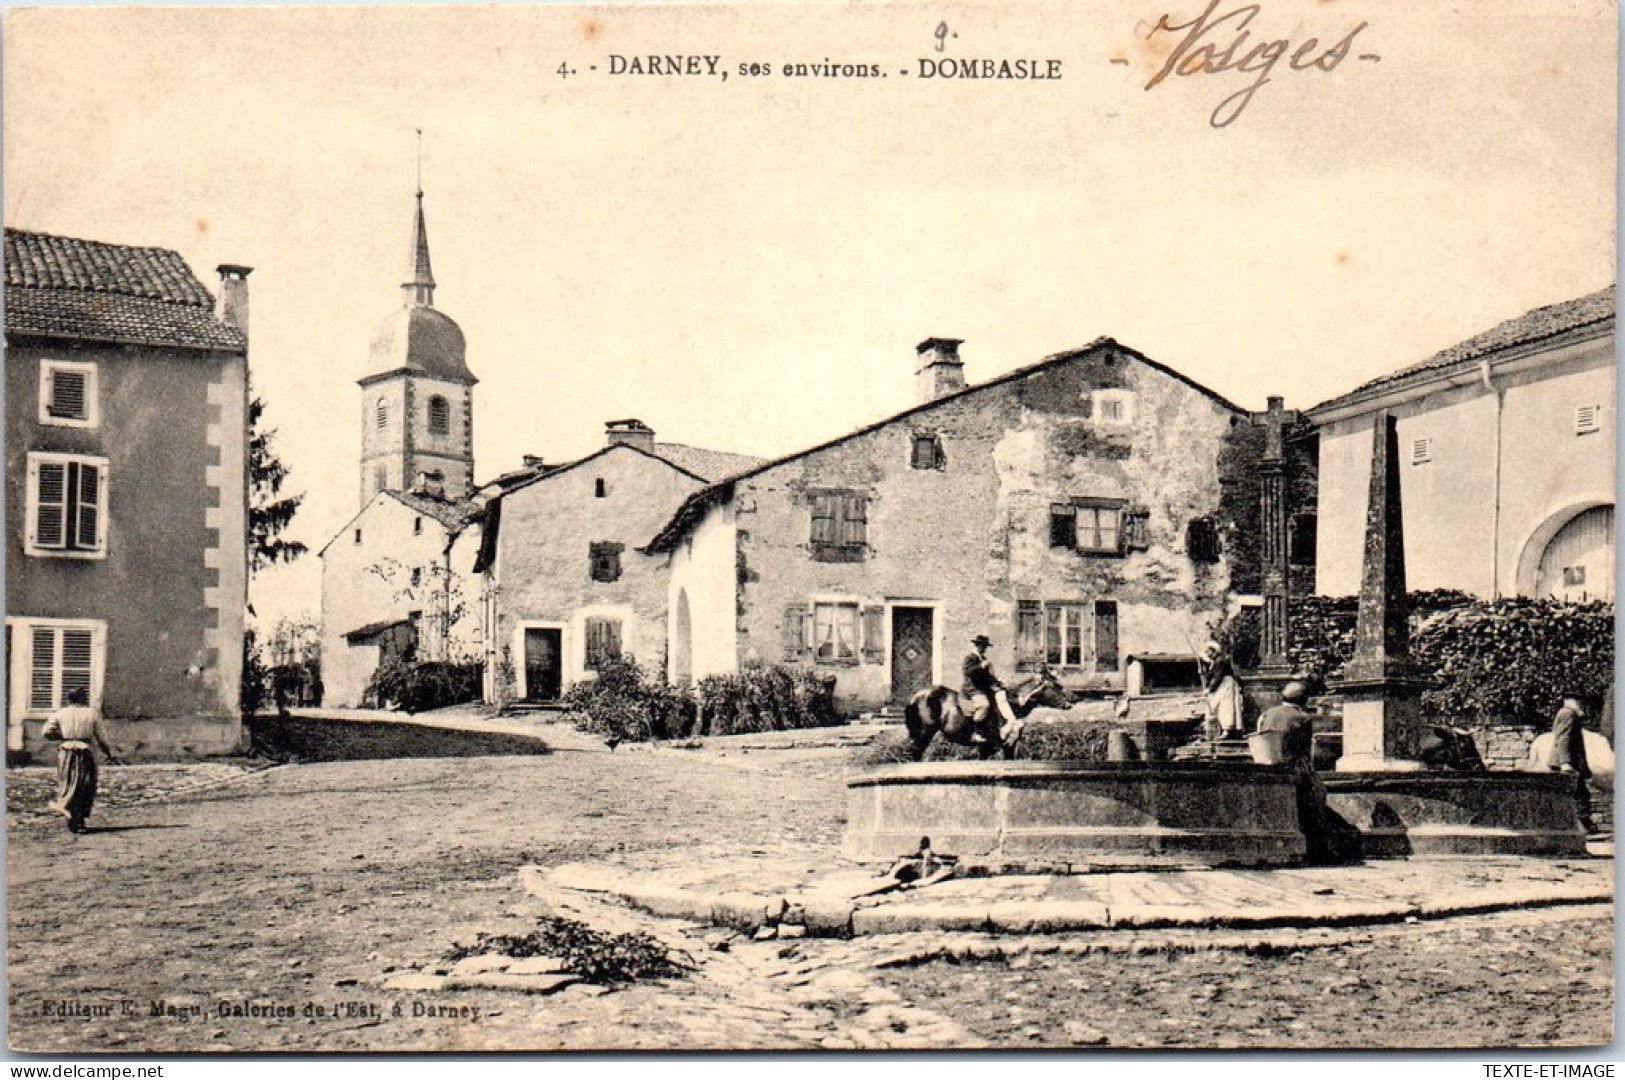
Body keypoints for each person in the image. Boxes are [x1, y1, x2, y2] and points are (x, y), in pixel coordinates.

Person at [1256, 681, 1353, 864]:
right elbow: (1305, 751)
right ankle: (1318, 852)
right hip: (1294, 769)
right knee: (1316, 800)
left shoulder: (1266, 714)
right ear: (1304, 700)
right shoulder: (1302, 717)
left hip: (1268, 768)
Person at [41, 687, 118, 834]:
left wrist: (61, 737)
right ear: (83, 699)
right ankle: (78, 819)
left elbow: (46, 732)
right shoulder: (91, 714)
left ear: (69, 699)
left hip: (66, 751)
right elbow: (102, 738)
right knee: (85, 785)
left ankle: (70, 815)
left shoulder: (60, 713)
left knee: (68, 782)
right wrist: (109, 753)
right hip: (85, 751)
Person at [1550, 694, 1598, 835]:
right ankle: (1580, 828)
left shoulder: (1570, 714)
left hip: (1573, 763)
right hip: (1568, 765)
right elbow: (1563, 739)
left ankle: (1583, 828)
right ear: (1569, 701)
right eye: (1578, 701)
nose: (1581, 704)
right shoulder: (1567, 714)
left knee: (1581, 794)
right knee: (1577, 795)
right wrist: (1565, 763)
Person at [962, 634, 1018, 744]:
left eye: (985, 647)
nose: (984, 649)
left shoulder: (983, 659)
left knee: (998, 702)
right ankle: (976, 732)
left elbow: (989, 676)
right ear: (977, 645)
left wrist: (999, 684)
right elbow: (969, 672)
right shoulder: (970, 658)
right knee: (984, 705)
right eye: (982, 646)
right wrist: (981, 666)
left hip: (983, 688)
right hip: (972, 688)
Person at [1201, 640, 1243, 739]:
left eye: (1208, 652)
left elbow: (1217, 677)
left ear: (1214, 651)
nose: (1207, 654)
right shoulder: (1214, 662)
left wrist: (1210, 689)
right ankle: (1218, 729)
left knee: (1226, 707)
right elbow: (1210, 676)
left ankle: (1227, 730)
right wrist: (1203, 672)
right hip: (1221, 686)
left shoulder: (1221, 661)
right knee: (1216, 706)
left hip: (1226, 685)